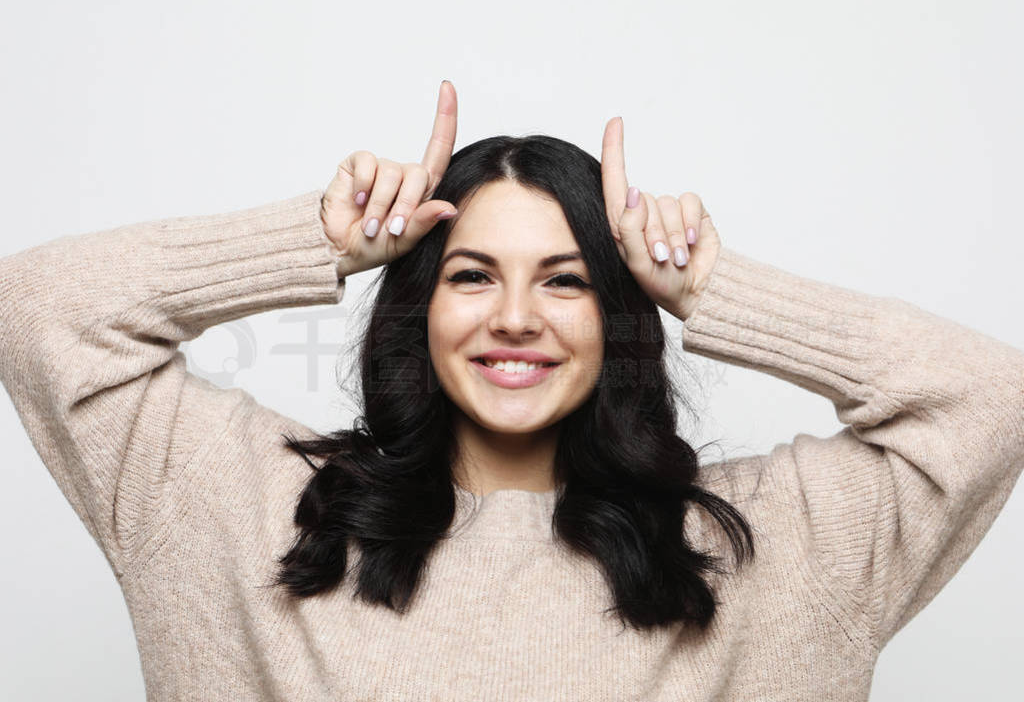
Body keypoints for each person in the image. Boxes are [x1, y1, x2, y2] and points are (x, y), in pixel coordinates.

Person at [1, 79, 1021, 700]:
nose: (516, 318)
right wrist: (314, 235)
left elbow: (986, 397)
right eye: (473, 274)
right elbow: (41, 307)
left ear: (617, 316)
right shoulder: (236, 508)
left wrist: (712, 288)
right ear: (420, 309)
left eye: (566, 280)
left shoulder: (774, 549)